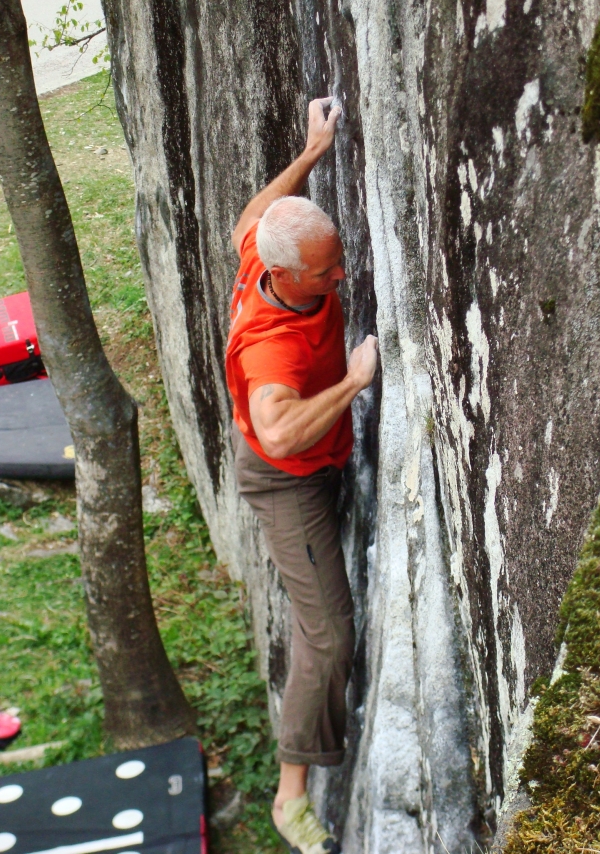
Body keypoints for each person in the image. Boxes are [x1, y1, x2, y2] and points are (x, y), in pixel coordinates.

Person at [226, 96, 378, 854]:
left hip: (312, 458)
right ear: (290, 275)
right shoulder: (272, 350)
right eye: (329, 272)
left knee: (321, 623)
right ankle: (292, 797)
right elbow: (281, 431)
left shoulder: (267, 246)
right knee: (329, 636)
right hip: (287, 480)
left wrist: (314, 150)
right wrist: (353, 384)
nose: (342, 274)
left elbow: (248, 216)